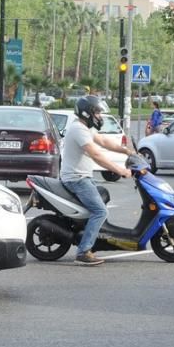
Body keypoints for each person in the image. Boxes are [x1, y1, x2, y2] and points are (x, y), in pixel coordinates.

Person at [62, 96, 134, 266]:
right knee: (100, 211)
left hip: (83, 177)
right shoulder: (79, 130)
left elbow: (103, 141)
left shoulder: (85, 128)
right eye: (98, 112)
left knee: (103, 196)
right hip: (76, 179)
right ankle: (83, 252)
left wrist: (127, 151)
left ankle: (94, 236)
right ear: (87, 113)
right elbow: (96, 155)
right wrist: (120, 170)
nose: (100, 116)